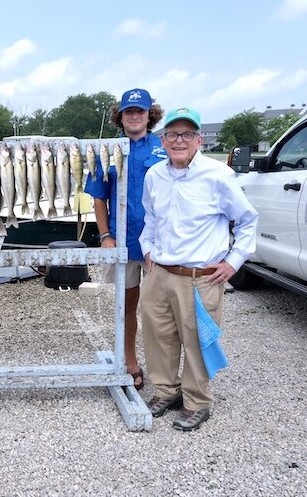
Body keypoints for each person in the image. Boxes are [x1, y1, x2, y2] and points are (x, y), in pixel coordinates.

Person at [138, 107, 258, 431]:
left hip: (199, 277)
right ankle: (166, 390)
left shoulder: (217, 176)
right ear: (162, 140)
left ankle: (197, 401)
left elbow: (248, 221)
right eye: (173, 134)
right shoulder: (155, 176)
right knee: (157, 337)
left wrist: (233, 263)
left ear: (199, 139)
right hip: (159, 272)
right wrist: (147, 248)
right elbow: (150, 219)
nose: (179, 140)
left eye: (187, 134)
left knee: (196, 341)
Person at [85, 88, 167, 390]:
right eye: (129, 111)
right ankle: (130, 360)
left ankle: (165, 369)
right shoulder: (105, 151)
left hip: (160, 244)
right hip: (123, 242)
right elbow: (98, 198)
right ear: (120, 116)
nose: (135, 116)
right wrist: (106, 236)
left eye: (140, 111)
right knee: (127, 304)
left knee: (160, 306)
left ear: (150, 115)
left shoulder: (163, 147)